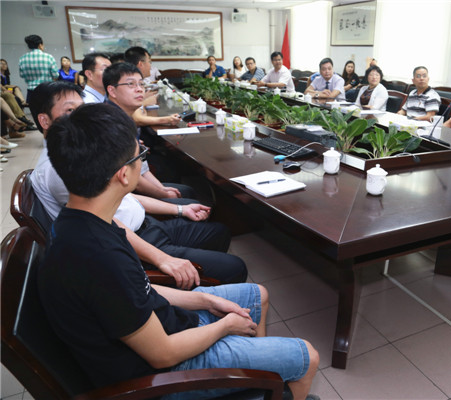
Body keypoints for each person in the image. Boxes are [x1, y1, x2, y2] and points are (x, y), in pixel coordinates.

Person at [37, 102, 320, 400]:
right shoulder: (98, 258)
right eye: (140, 155)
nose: (142, 159)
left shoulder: (82, 220)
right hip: (163, 373)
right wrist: (225, 327)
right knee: (307, 357)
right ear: (123, 175)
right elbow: (163, 354)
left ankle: (256, 380)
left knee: (256, 294)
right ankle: (258, 379)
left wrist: (205, 299)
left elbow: (140, 290)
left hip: (163, 325)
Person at [29, 81, 247, 287]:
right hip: (132, 243)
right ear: (44, 121)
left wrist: (179, 209)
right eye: (70, 110)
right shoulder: (61, 169)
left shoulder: (79, 150)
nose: (81, 116)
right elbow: (106, 225)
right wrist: (163, 259)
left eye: (82, 108)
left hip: (145, 224)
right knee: (234, 267)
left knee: (218, 231)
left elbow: (122, 196)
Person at [103, 62, 192, 201]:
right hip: (123, 199)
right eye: (131, 84)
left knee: (187, 191)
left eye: (141, 84)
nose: (139, 89)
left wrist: (161, 189)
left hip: (133, 186)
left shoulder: (123, 117)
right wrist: (163, 194)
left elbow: (141, 167)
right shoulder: (111, 124)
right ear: (112, 91)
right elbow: (131, 178)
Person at [18, 34, 58, 102]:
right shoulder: (48, 57)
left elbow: (22, 75)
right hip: (47, 91)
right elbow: (55, 75)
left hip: (31, 92)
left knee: (34, 109)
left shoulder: (22, 59)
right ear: (40, 45)